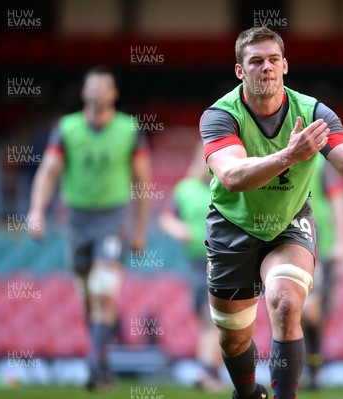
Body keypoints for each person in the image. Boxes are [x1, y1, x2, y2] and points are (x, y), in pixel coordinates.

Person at [200, 26, 343, 399]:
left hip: (289, 224)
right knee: (232, 336)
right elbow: (231, 177)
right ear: (240, 71)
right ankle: (246, 391)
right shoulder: (219, 116)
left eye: (274, 60)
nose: (267, 68)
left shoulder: (313, 112)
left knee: (285, 300)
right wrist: (288, 156)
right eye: (256, 61)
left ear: (286, 65)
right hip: (232, 227)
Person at [27, 66, 152, 391]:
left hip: (112, 220)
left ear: (114, 94)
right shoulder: (67, 129)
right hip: (77, 221)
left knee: (102, 291)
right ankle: (102, 359)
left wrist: (139, 229)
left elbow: (143, 182)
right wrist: (36, 211)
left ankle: (95, 367)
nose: (97, 93)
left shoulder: (129, 129)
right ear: (84, 93)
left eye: (103, 88)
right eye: (92, 88)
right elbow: (49, 172)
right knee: (87, 297)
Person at [158, 146, 225, 392]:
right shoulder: (185, 190)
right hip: (196, 264)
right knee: (208, 321)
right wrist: (177, 228)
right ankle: (211, 372)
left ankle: (208, 371)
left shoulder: (229, 188)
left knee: (213, 319)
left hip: (222, 261)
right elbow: (166, 218)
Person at [301, 155, 343, 390]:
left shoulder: (317, 163)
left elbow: (338, 199)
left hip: (318, 250)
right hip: (286, 245)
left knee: (310, 313)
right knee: (295, 311)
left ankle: (312, 368)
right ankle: (308, 369)